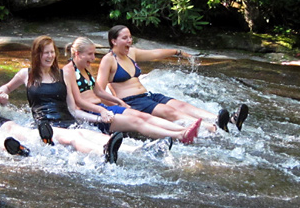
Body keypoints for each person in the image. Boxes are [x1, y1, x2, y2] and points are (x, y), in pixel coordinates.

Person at [0, 36, 131, 164]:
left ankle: (137, 150)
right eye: (45, 53)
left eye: (52, 52)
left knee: (90, 134)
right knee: (74, 137)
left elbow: (73, 110)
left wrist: (100, 118)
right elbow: (5, 88)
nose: (50, 56)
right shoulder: (26, 74)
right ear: (37, 55)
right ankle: (104, 154)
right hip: (46, 126)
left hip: (67, 122)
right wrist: (0, 95)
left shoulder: (64, 75)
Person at [97, 25, 249, 133]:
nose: (129, 41)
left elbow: (155, 53)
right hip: (133, 101)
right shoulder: (108, 60)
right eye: (125, 38)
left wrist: (177, 51)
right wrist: (120, 105)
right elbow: (98, 90)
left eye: (130, 37)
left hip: (147, 95)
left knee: (181, 105)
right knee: (170, 112)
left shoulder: (132, 53)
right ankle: (212, 129)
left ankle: (226, 120)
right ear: (113, 41)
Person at [63, 36, 201, 144]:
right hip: (92, 115)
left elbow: (99, 91)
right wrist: (101, 111)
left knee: (143, 116)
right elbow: (79, 102)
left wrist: (118, 101)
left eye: (93, 54)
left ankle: (185, 130)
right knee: (137, 122)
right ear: (76, 53)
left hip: (102, 107)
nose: (93, 58)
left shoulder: (86, 67)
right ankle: (180, 136)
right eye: (89, 54)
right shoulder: (68, 71)